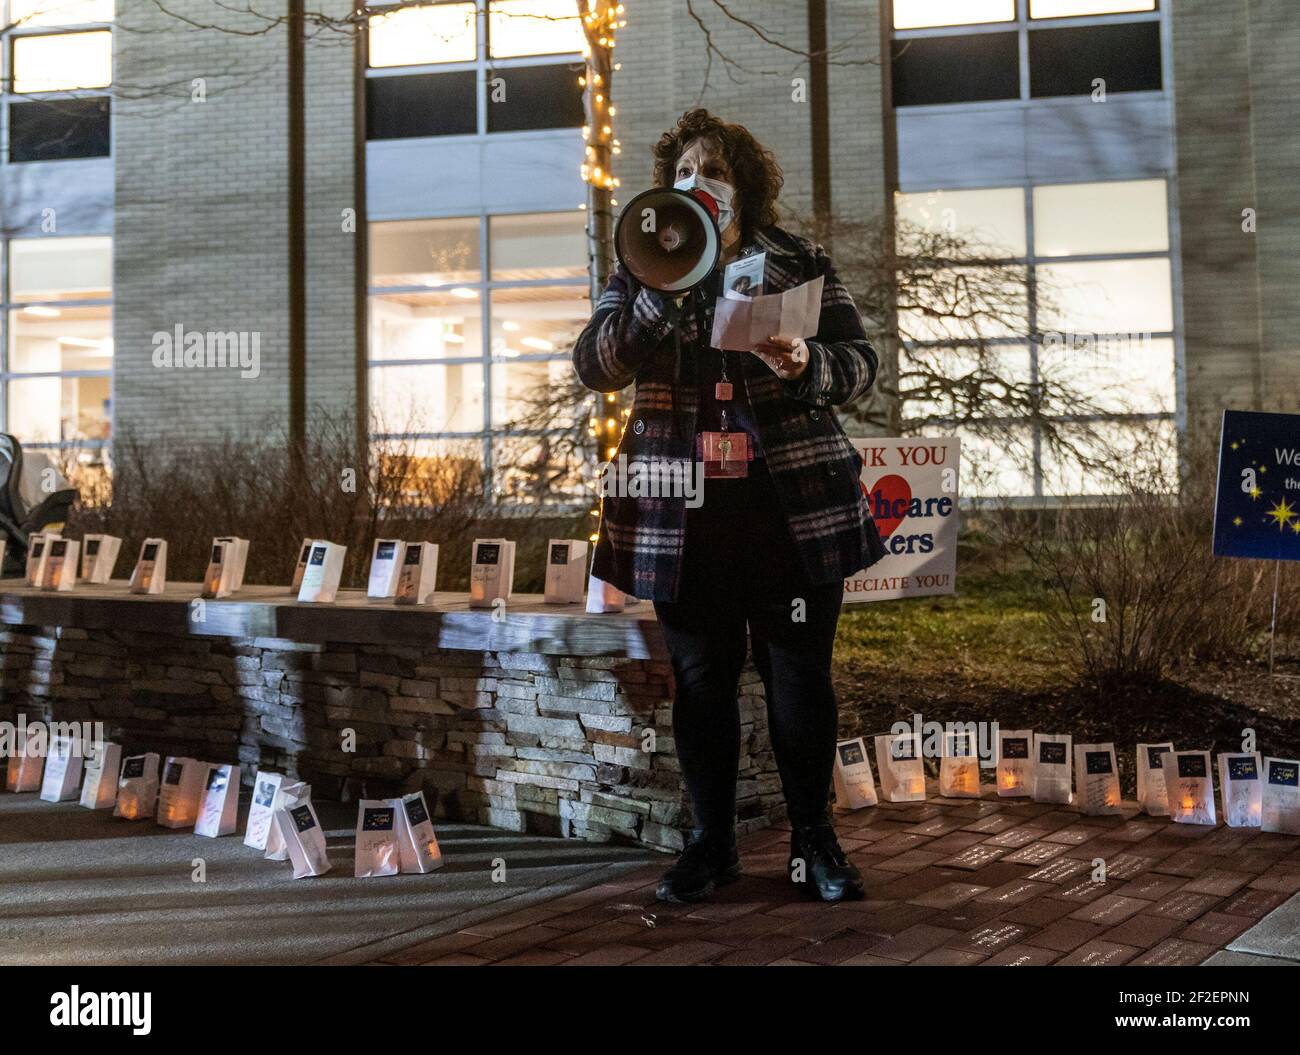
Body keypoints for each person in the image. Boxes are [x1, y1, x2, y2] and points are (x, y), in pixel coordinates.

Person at [572, 109, 887, 904]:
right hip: (686, 519)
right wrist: (655, 295)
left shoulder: (796, 261)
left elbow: (859, 365)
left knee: (798, 678)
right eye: (682, 170)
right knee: (702, 679)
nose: (695, 181)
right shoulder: (644, 262)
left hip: (790, 509)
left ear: (741, 187)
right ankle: (712, 842)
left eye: (711, 169)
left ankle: (814, 839)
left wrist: (805, 363)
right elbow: (595, 365)